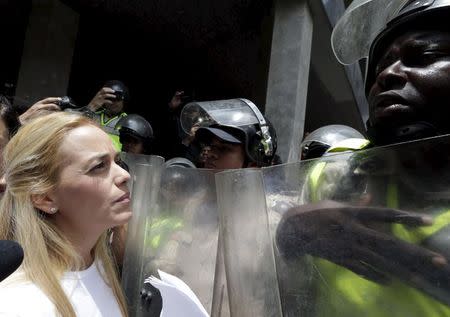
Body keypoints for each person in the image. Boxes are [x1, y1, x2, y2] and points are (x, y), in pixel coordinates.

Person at [276, 0, 450, 316]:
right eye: (382, 65)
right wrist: (289, 232)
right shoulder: (338, 174)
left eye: (423, 58)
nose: (388, 74)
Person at [0, 112, 130, 317]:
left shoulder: (105, 273)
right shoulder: (19, 303)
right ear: (44, 197)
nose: (124, 175)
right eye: (98, 166)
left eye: (117, 161)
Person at [181, 98, 277, 170]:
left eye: (224, 148)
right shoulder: (197, 194)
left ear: (253, 165)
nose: (210, 154)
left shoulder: (268, 197)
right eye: (211, 146)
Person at [85, 80, 129, 150]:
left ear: (124, 100)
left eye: (117, 98)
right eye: (110, 98)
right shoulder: (91, 115)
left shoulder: (128, 122)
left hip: (114, 159)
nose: (113, 102)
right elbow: (74, 127)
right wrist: (91, 106)